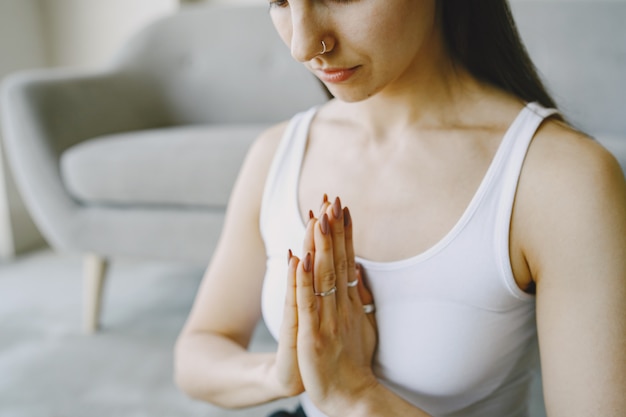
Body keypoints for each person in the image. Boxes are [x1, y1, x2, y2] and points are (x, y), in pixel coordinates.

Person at [174, 1, 626, 416]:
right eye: (279, 0)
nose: (303, 45)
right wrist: (282, 373)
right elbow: (197, 351)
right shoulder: (277, 152)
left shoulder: (559, 181)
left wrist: (354, 395)